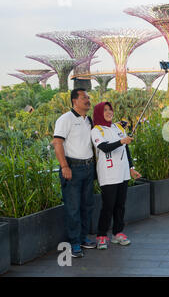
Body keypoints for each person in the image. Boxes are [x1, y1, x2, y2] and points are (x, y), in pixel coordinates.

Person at [52, 88, 97, 258]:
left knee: (87, 205)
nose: (88, 100)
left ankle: (83, 238)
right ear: (74, 101)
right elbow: (57, 143)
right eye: (84, 97)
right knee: (73, 208)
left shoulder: (88, 120)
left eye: (88, 97)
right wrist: (64, 166)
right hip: (73, 169)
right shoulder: (66, 119)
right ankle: (74, 243)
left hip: (88, 167)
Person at [91, 102, 141, 250]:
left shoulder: (118, 127)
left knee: (120, 205)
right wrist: (121, 141)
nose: (108, 112)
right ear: (99, 112)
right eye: (105, 110)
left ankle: (118, 233)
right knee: (108, 206)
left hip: (123, 172)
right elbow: (104, 147)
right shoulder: (96, 130)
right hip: (108, 174)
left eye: (110, 109)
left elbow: (126, 150)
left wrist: (131, 168)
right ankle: (101, 235)